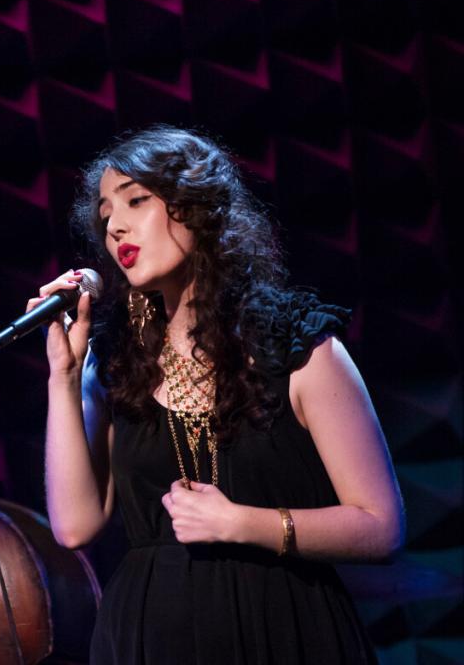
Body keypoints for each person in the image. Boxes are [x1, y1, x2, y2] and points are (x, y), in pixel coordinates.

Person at [34, 126, 403, 663]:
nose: (114, 225)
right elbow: (74, 524)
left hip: (283, 627)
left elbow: (381, 526)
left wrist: (241, 523)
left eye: (137, 199)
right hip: (150, 637)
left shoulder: (298, 346)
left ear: (197, 209)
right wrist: (63, 378)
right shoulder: (115, 362)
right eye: (105, 212)